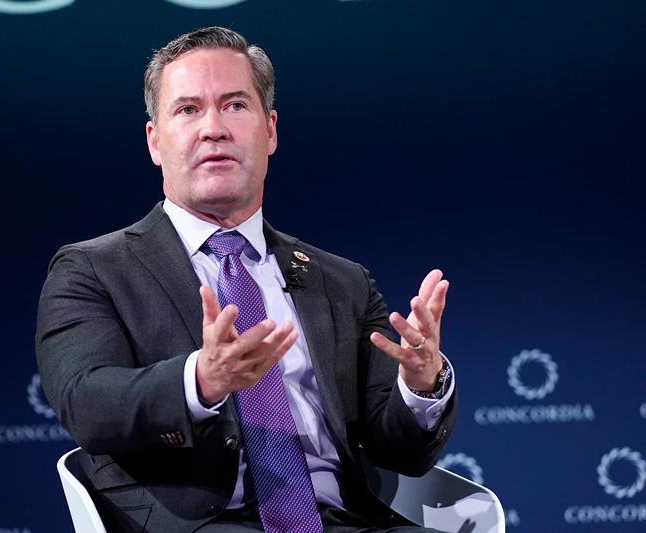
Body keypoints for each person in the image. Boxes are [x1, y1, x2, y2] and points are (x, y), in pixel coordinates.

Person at [36, 26, 456, 533]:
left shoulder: (341, 282)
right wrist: (201, 381)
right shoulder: (92, 269)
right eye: (188, 110)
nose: (213, 128)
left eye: (235, 105)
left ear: (270, 130)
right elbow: (88, 403)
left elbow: (400, 454)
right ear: (155, 141)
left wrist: (421, 385)